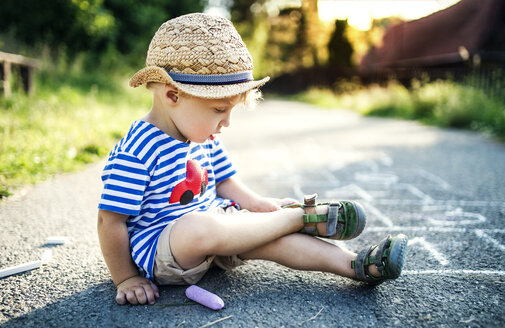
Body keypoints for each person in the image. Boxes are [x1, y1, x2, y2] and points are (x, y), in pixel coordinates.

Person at [97, 13, 408, 306]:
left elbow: (226, 181)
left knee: (267, 229)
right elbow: (109, 221)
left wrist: (259, 205)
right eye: (219, 110)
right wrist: (126, 278)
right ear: (173, 96)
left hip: (218, 229)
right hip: (166, 254)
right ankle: (299, 217)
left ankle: (356, 264)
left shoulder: (202, 135)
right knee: (200, 226)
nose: (227, 122)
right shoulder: (137, 151)